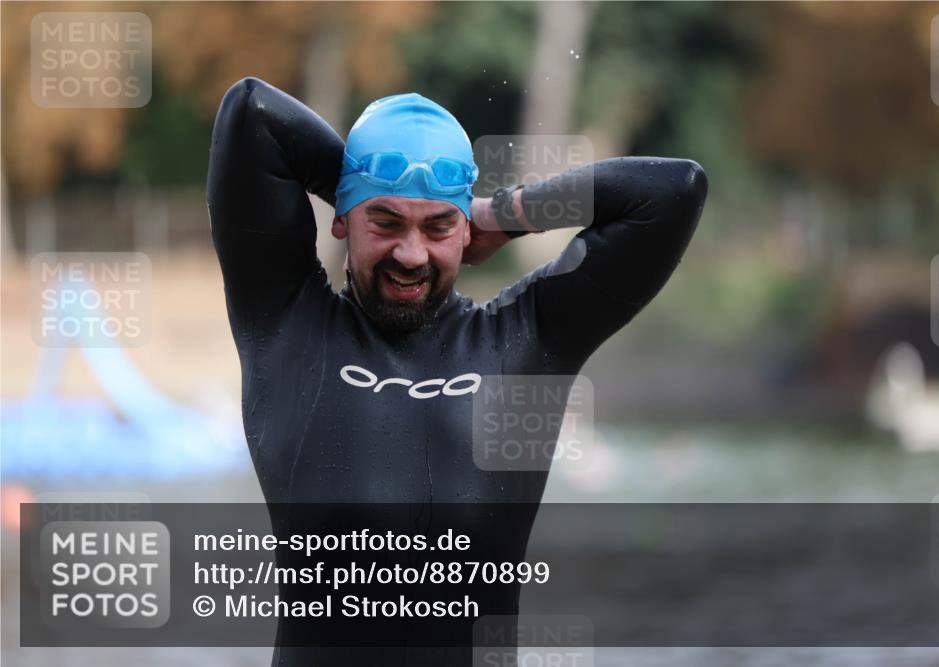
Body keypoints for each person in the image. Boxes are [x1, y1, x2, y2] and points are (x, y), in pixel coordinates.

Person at [207, 76, 706, 666]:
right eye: (386, 222)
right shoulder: (289, 328)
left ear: (466, 228)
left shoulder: (525, 343)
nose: (411, 253)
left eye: (438, 226)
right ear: (341, 221)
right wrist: (360, 180)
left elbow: (673, 191)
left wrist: (508, 212)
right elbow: (251, 113)